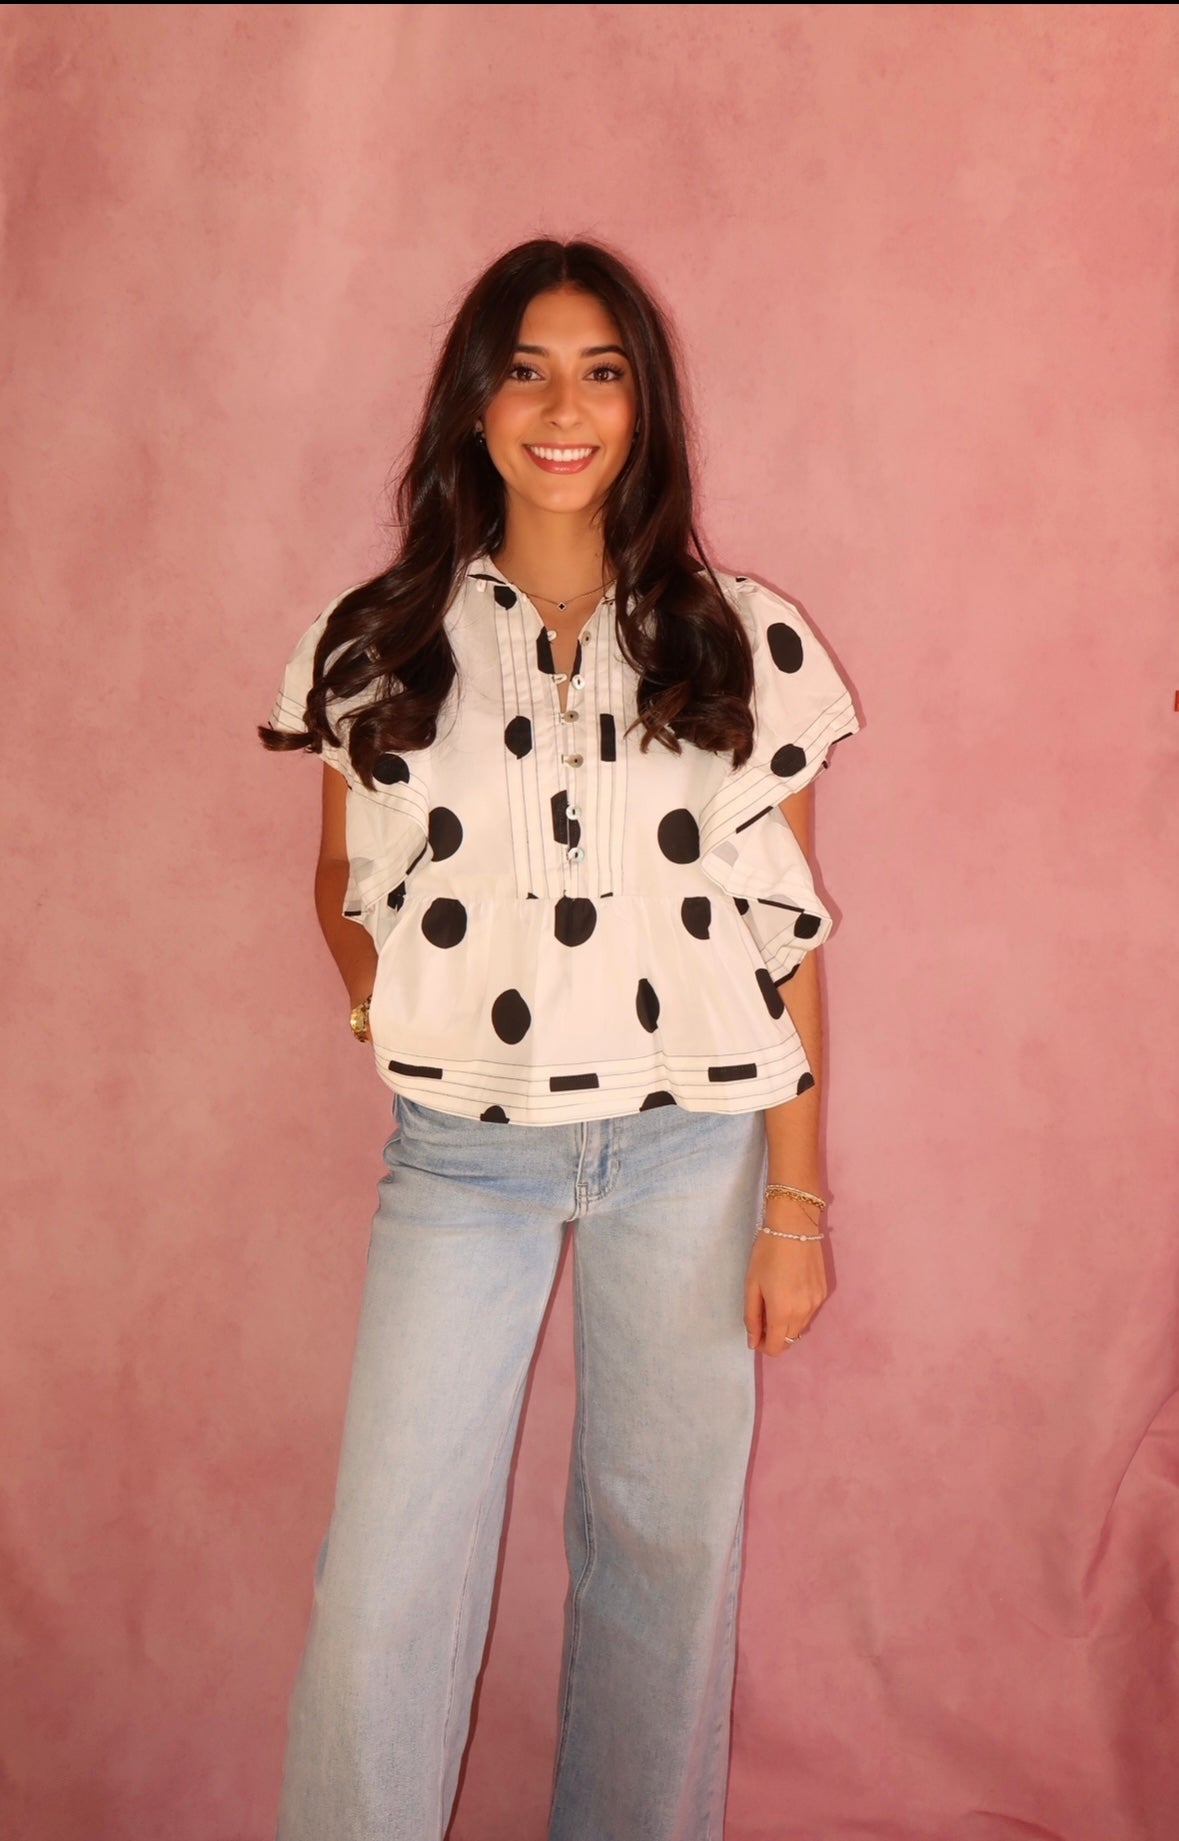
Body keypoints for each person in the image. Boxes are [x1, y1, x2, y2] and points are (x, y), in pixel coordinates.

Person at [260, 236, 861, 1841]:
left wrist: (796, 1203)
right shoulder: (383, 637)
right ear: (475, 402)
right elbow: (341, 876)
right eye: (526, 370)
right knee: (385, 1579)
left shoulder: (737, 638)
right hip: (464, 1158)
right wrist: (385, 1003)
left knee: (666, 1559)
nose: (563, 407)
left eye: (601, 372)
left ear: (643, 407)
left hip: (691, 1150)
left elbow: (786, 937)